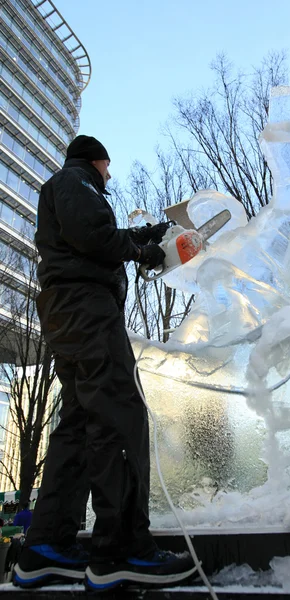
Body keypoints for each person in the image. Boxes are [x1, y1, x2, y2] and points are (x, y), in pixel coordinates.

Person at [13, 135, 196, 591]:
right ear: (96, 161)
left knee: (78, 423)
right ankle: (122, 550)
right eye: (108, 167)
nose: (110, 175)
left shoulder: (66, 189)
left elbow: (93, 237)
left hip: (67, 313)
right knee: (118, 413)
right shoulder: (77, 180)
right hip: (87, 310)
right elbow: (93, 235)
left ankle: (45, 547)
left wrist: (144, 235)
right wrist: (140, 251)